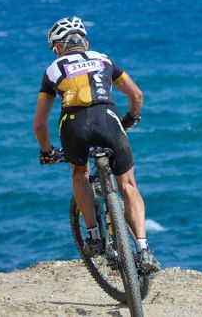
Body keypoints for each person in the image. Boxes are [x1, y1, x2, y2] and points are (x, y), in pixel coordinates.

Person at [32, 16, 160, 273]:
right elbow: (136, 95)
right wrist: (131, 118)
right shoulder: (104, 59)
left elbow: (39, 123)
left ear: (57, 48)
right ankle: (144, 249)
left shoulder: (53, 69)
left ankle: (93, 234)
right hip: (108, 120)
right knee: (128, 185)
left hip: (74, 125)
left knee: (79, 174)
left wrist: (47, 152)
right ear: (85, 43)